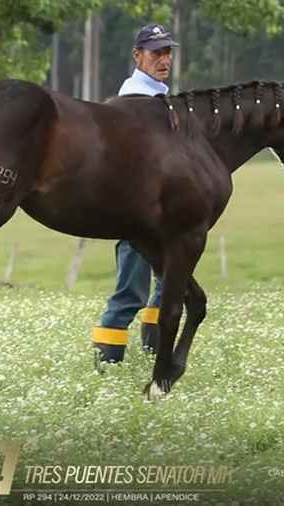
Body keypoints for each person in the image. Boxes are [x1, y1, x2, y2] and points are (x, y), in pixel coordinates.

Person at [91, 24, 180, 364]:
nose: (164, 59)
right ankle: (107, 356)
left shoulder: (157, 94)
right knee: (131, 290)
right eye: (156, 52)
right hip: (136, 209)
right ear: (137, 55)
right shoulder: (134, 98)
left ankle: (152, 347)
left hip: (158, 207)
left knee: (165, 283)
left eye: (168, 52)